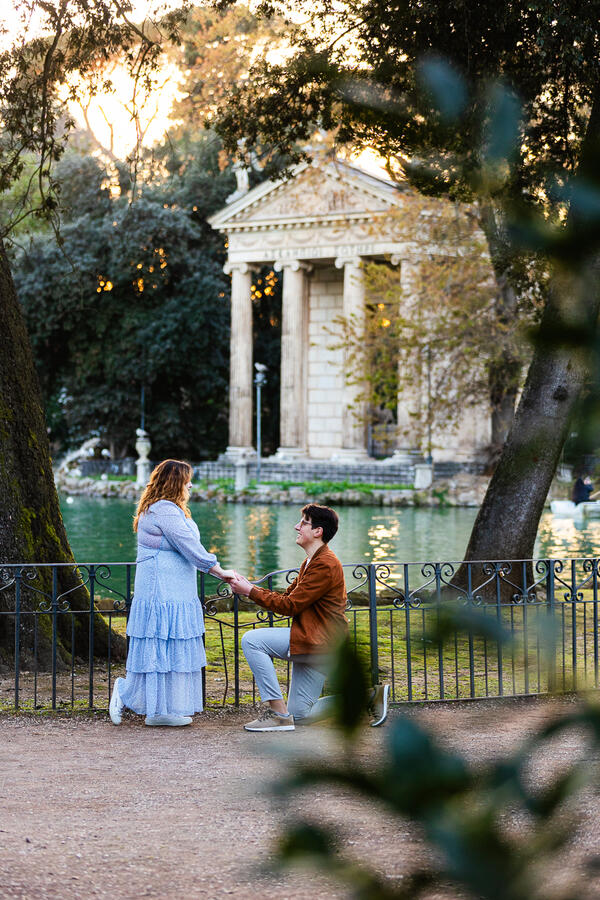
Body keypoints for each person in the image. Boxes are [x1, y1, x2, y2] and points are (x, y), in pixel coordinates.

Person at [229, 503, 389, 732]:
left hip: (320, 642)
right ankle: (368, 697)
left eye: (303, 523)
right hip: (317, 642)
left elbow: (291, 606)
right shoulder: (311, 561)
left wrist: (249, 591)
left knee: (252, 640)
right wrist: (250, 587)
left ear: (318, 531)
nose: (297, 526)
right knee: (302, 714)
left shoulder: (325, 564)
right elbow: (287, 597)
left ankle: (277, 714)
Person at [109, 459, 234, 727]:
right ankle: (125, 691)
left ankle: (160, 709)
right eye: (187, 479)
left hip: (175, 591)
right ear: (175, 482)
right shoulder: (164, 510)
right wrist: (219, 570)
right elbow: (189, 545)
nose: (191, 484)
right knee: (159, 646)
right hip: (161, 591)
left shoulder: (170, 509)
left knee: (168, 648)